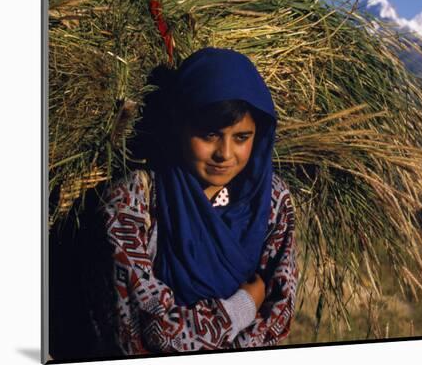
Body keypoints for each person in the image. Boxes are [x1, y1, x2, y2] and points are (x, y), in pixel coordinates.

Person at [92, 47, 298, 355]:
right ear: (179, 126)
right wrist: (240, 308)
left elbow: (278, 312)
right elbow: (150, 332)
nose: (225, 154)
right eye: (209, 134)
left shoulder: (272, 202)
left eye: (242, 137)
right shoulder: (132, 203)